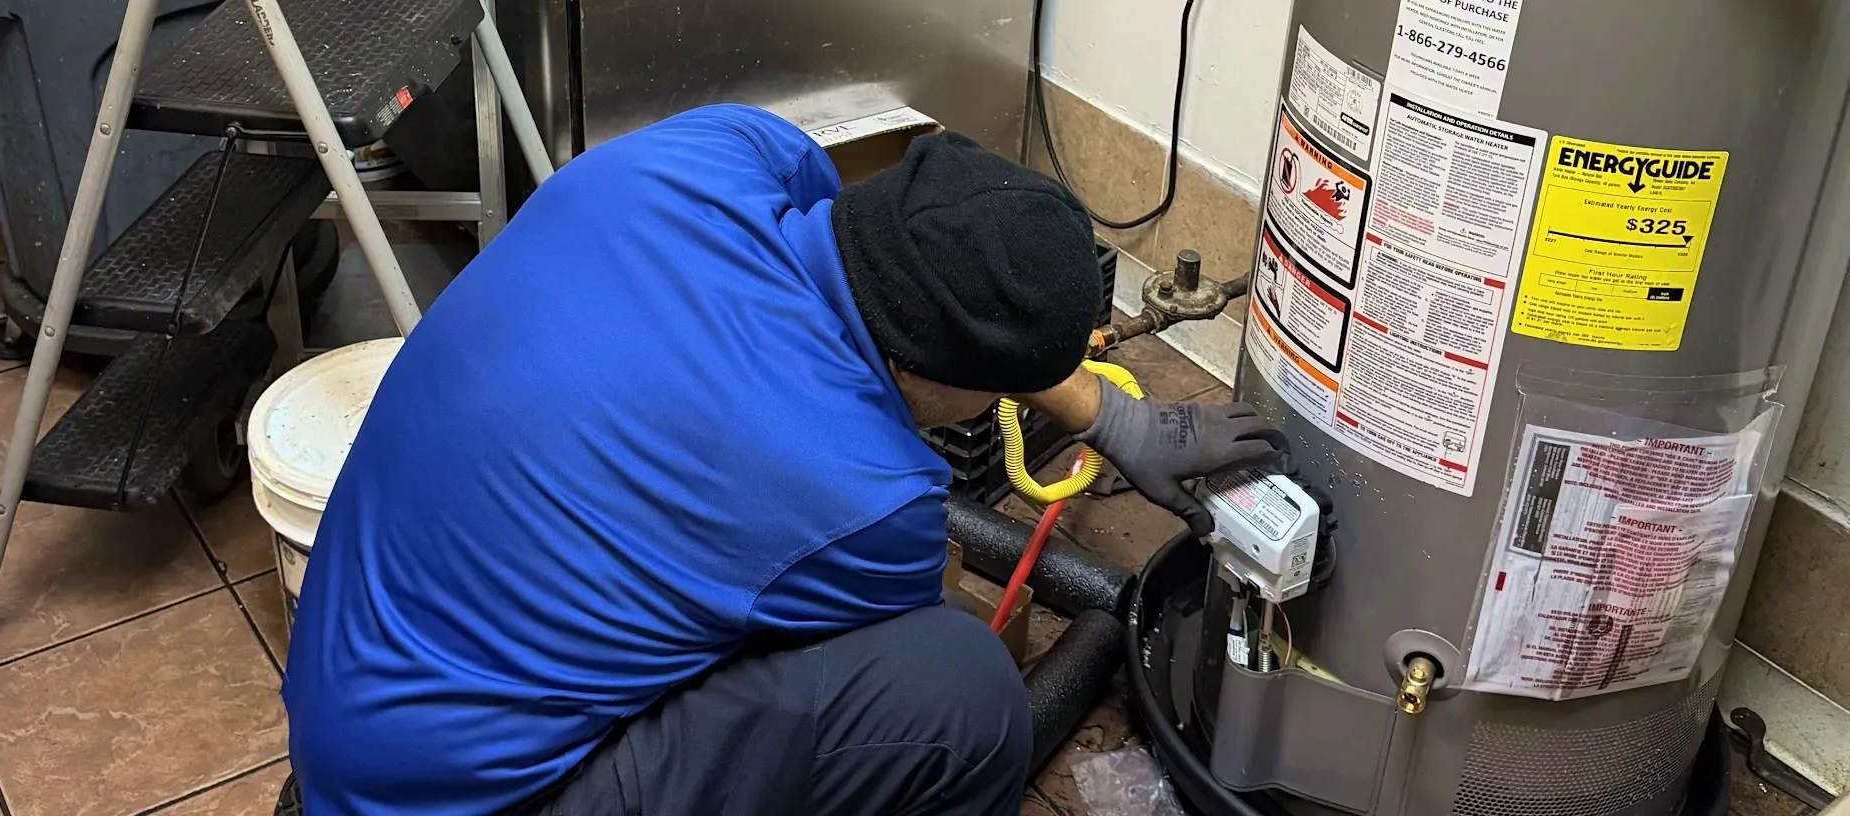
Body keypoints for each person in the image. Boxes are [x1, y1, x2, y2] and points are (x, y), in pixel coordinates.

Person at [282, 108, 1275, 816]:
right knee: (957, 691)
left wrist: (1108, 413)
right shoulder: (866, 504)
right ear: (941, 379)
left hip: (353, 696)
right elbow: (897, 605)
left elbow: (884, 310)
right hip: (472, 801)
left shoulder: (719, 150)